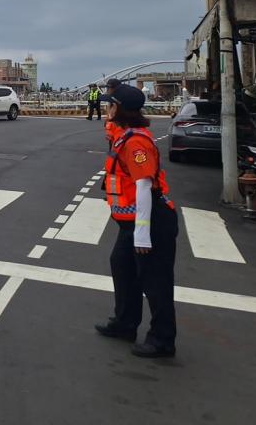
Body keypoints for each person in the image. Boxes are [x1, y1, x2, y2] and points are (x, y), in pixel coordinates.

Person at [94, 85, 179, 358]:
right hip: (130, 222)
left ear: (118, 109)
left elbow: (144, 187)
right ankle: (125, 323)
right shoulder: (124, 137)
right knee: (122, 267)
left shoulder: (136, 143)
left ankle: (163, 339)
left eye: (110, 105)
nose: (106, 110)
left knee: (155, 282)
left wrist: (143, 233)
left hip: (150, 220)